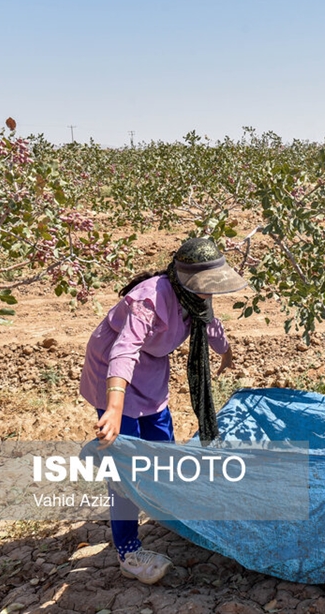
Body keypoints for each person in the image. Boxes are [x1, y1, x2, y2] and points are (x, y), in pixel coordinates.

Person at [79, 236, 248, 584]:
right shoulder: (149, 298)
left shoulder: (197, 299)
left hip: (152, 370)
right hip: (112, 370)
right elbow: (124, 350)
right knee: (125, 465)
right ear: (185, 280)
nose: (209, 293)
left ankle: (163, 509)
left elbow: (211, 326)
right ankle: (128, 552)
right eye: (205, 286)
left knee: (161, 448)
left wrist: (226, 352)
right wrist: (112, 408)